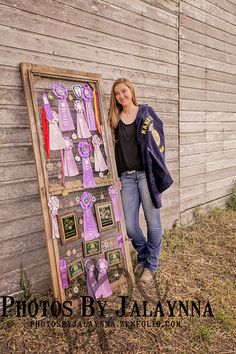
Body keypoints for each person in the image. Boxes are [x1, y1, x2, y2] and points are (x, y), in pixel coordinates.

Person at [108, 78, 173, 283]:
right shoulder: (114, 118)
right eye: (117, 93)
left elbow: (158, 139)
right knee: (130, 226)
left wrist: (158, 167)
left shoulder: (145, 113)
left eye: (124, 91)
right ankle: (144, 255)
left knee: (153, 222)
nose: (121, 96)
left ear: (131, 91)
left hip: (146, 175)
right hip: (127, 178)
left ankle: (151, 265)